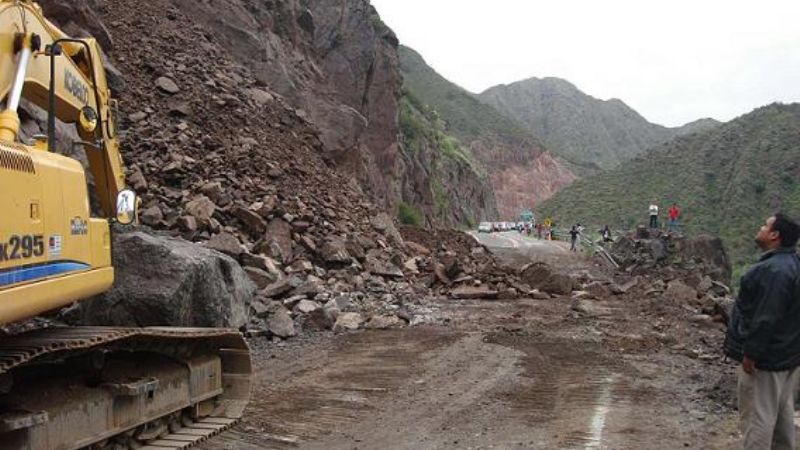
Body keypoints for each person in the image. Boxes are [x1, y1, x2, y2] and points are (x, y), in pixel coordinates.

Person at [724, 213, 800, 450]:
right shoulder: (794, 264)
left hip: (765, 359)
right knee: (781, 414)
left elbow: (766, 317)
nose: (760, 228)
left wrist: (751, 353)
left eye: (765, 225)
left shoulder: (772, 271)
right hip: (788, 356)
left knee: (758, 419)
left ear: (775, 235)